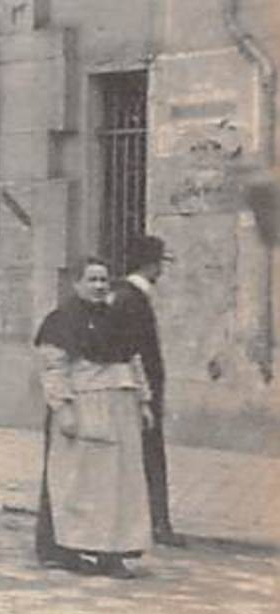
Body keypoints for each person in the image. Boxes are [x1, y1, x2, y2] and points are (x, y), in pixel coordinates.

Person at [33, 256, 153, 579]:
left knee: (121, 484)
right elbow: (53, 368)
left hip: (122, 407)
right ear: (76, 284)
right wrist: (63, 408)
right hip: (86, 407)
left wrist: (144, 402)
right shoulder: (61, 321)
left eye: (104, 280)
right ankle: (71, 549)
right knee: (83, 484)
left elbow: (134, 360)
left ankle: (112, 553)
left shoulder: (119, 318)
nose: (99, 286)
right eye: (92, 280)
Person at [110, 234, 184, 547]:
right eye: (159, 263)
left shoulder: (124, 295)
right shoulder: (133, 299)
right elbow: (134, 351)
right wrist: (147, 395)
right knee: (150, 454)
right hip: (141, 390)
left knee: (141, 455)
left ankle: (151, 521)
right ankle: (157, 523)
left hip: (137, 388)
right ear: (152, 265)